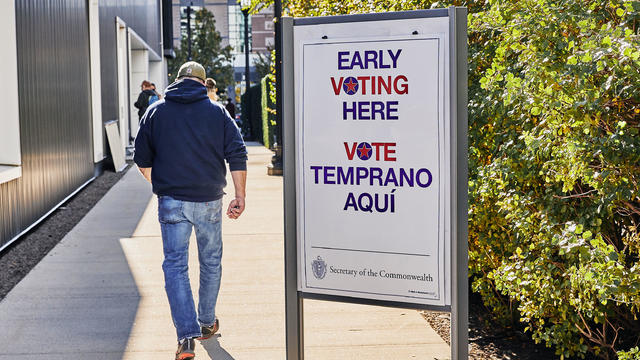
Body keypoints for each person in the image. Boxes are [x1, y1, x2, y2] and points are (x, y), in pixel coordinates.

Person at [133, 61, 247, 360]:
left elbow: (142, 159)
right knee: (210, 261)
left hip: (171, 200)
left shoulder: (155, 111)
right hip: (209, 199)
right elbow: (237, 153)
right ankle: (206, 323)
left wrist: (160, 183)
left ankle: (186, 337)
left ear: (178, 80)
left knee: (175, 266)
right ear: (201, 82)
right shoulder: (217, 111)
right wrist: (240, 195)